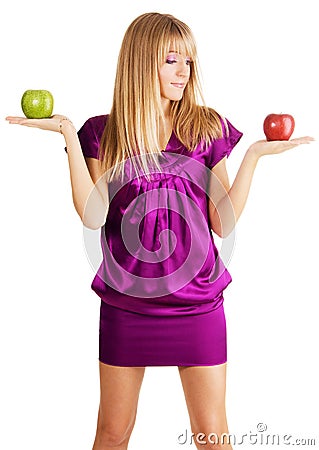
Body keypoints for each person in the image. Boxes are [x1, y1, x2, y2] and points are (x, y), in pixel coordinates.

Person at [6, 12, 313, 450]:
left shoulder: (205, 127)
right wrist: (68, 136)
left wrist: (254, 157)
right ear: (141, 63)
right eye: (171, 60)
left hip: (198, 303)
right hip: (127, 302)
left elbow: (222, 221)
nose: (184, 71)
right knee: (113, 433)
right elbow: (93, 216)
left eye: (188, 61)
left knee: (212, 436)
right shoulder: (103, 132)